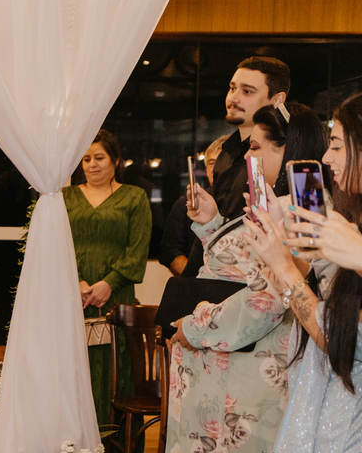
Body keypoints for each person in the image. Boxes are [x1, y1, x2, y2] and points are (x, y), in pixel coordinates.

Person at [163, 103, 328, 453]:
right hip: (225, 378)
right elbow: (238, 267)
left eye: (257, 146)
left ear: (288, 148)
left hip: (251, 383)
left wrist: (193, 328)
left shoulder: (301, 208)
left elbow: (268, 297)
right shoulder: (271, 204)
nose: (248, 155)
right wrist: (212, 226)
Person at [245, 93, 362, 453]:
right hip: (334, 419)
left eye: (337, 144)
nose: (326, 158)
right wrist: (290, 255)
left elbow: (340, 342)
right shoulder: (347, 225)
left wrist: (284, 271)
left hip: (344, 431)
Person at [62, 130, 151, 431]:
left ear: (115, 161)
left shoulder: (135, 197)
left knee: (118, 372)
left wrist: (109, 283)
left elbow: (137, 251)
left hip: (117, 299)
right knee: (73, 370)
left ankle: (116, 452)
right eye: (86, 159)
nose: (92, 165)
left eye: (99, 157)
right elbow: (57, 245)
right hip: (73, 299)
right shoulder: (65, 198)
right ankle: (74, 451)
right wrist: (76, 282)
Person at [180, 57, 290, 277]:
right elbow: (224, 227)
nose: (233, 98)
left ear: (277, 99)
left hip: (252, 278)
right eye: (232, 89)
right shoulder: (225, 152)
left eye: (247, 91)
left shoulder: (279, 158)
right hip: (212, 267)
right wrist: (209, 217)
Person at [160, 134, 228, 276]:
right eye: (212, 163)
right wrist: (198, 279)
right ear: (206, 168)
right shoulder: (185, 205)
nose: (216, 168)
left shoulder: (245, 204)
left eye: (222, 162)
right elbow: (170, 251)